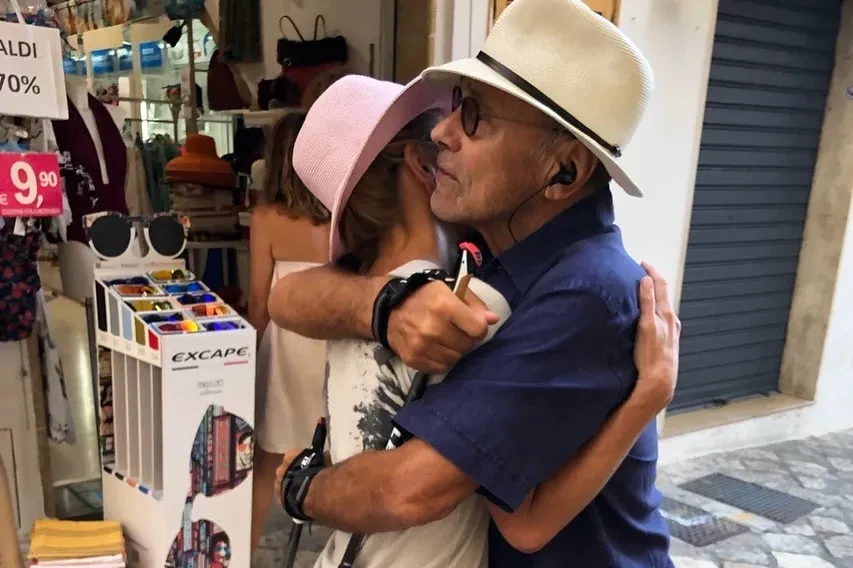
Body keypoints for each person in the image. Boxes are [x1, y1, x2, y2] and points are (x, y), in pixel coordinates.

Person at [272, 0, 679, 566]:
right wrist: (386, 305)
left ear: (563, 171)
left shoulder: (585, 294)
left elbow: (413, 490)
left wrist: (301, 488)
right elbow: (286, 297)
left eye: (475, 116)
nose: (442, 131)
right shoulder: (493, 249)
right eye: (457, 104)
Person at [247, 111, 330, 552]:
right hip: (333, 346)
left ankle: (245, 550)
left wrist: (248, 355)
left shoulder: (266, 218)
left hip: (284, 348)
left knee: (266, 460)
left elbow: (258, 301)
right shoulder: (343, 217)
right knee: (334, 454)